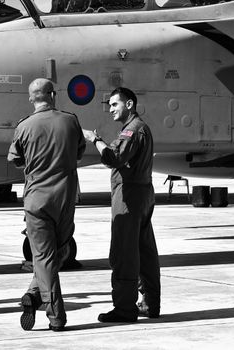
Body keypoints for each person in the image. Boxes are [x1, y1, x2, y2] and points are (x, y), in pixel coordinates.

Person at [7, 78, 85, 331]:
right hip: (65, 198)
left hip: (37, 199)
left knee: (43, 257)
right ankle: (33, 294)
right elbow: (79, 152)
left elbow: (15, 159)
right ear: (53, 95)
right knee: (58, 254)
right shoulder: (71, 120)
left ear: (31, 98)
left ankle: (56, 315)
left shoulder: (24, 126)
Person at [83, 87, 161, 322]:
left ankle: (125, 308)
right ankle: (150, 303)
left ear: (129, 105)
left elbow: (114, 158)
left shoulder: (131, 131)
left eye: (115, 105)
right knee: (145, 252)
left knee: (124, 253)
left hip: (129, 198)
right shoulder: (141, 129)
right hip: (143, 193)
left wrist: (95, 140)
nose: (111, 110)